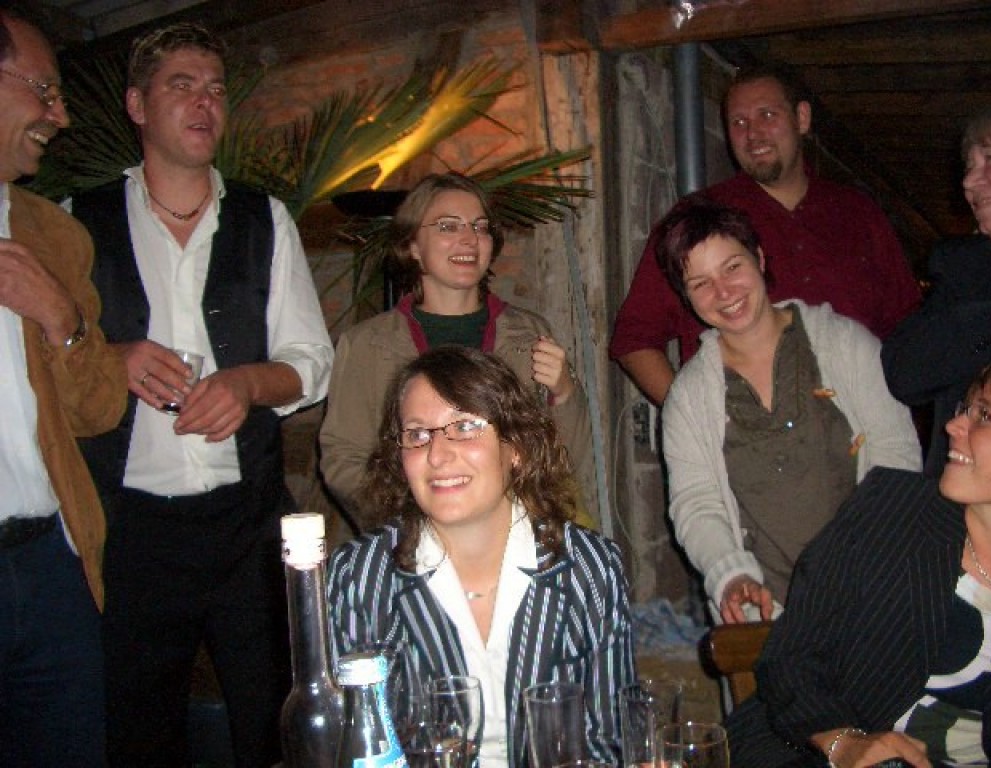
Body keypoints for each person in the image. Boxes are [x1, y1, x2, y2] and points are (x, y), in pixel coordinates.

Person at [69, 21, 334, 767]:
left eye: (215, 89)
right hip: (129, 533)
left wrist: (248, 384)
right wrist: (109, 358)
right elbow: (45, 364)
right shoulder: (76, 221)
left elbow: (311, 361)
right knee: (139, 734)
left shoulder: (263, 217)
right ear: (137, 105)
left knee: (273, 726)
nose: (204, 102)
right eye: (181, 85)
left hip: (247, 525)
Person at [326, 346, 635, 768]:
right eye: (417, 434)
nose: (437, 455)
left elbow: (609, 743)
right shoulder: (359, 577)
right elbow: (351, 746)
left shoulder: (589, 568)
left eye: (465, 426)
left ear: (516, 446)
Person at [728, 354, 991, 768]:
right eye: (966, 409)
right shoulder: (892, 512)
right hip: (815, 752)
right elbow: (790, 656)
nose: (954, 425)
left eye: (985, 416)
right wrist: (842, 742)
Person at [659, 199, 921, 623]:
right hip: (768, 615)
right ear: (686, 297)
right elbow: (696, 503)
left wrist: (872, 554)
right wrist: (730, 575)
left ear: (760, 259)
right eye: (700, 283)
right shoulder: (689, 398)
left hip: (874, 595)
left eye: (732, 267)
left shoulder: (844, 345)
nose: (723, 292)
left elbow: (897, 455)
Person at [611, 65, 920, 406]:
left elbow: (908, 333)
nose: (753, 134)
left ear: (802, 118)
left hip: (859, 428)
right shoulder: (697, 220)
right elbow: (634, 338)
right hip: (744, 435)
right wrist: (696, 421)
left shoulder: (858, 214)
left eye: (767, 115)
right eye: (738, 122)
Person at [320, 171, 595, 529]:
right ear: (413, 245)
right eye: (448, 227)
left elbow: (566, 460)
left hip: (514, 536)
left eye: (480, 227)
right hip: (409, 537)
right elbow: (344, 461)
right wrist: (418, 517)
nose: (469, 239)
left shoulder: (529, 334)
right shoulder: (365, 345)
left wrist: (565, 393)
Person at [0, 7, 126, 767]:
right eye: (43, 89)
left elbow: (101, 407)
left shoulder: (52, 234)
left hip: (48, 561)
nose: (61, 115)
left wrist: (61, 319)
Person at [882, 99, 991, 477]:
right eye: (968, 167)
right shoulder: (965, 268)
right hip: (969, 506)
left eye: (990, 158)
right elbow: (906, 372)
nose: (969, 182)